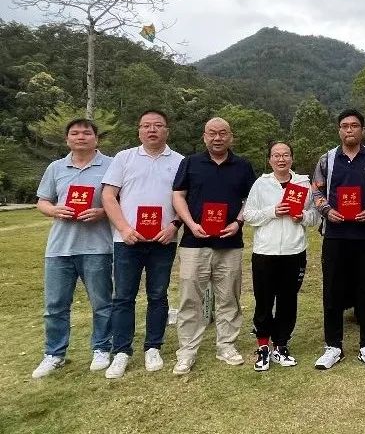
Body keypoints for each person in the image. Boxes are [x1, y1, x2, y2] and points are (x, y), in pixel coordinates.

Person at [101, 109, 184, 379]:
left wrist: (174, 226)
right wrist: (124, 228)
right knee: (123, 296)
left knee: (158, 295)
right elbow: (109, 196)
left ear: (167, 130)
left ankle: (153, 347)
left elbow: (186, 200)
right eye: (146, 125)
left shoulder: (180, 161)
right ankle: (121, 351)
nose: (152, 130)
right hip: (128, 240)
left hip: (163, 240)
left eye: (158, 125)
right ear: (139, 131)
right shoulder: (124, 158)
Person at [171, 117, 256, 375]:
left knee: (229, 296)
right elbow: (178, 195)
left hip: (230, 243)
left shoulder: (243, 166)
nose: (217, 138)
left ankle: (226, 345)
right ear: (204, 136)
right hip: (193, 242)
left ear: (231, 136)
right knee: (190, 298)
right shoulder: (190, 163)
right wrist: (190, 223)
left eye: (222, 133)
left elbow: (250, 199)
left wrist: (238, 222)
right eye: (212, 133)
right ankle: (187, 350)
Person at [31, 119, 114, 378]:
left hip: (97, 246)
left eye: (86, 133)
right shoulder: (56, 167)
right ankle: (54, 353)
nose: (80, 137)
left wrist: (102, 212)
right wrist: (54, 210)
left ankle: (102, 347)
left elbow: (120, 200)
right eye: (75, 133)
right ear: (67, 139)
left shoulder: (111, 165)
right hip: (59, 248)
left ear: (96, 138)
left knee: (102, 303)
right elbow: (42, 201)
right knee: (55, 305)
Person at [311, 109, 365, 369]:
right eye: (344, 126)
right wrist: (326, 210)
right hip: (335, 235)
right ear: (339, 130)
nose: (349, 130)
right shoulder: (327, 159)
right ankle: (333, 346)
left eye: (354, 125)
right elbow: (317, 190)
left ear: (362, 130)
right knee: (332, 291)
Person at [243, 141, 320, 371]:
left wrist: (302, 217)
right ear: (270, 160)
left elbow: (315, 216)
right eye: (276, 155)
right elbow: (248, 215)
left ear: (292, 158)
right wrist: (272, 212)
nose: (281, 159)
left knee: (288, 301)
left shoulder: (303, 183)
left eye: (285, 155)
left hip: (293, 251)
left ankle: (281, 345)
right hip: (265, 252)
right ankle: (263, 347)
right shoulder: (261, 183)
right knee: (264, 300)